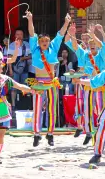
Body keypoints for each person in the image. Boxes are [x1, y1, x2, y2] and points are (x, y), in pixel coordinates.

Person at [25, 11, 71, 147]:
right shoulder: (35, 49)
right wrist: (30, 19)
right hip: (38, 82)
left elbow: (60, 34)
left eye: (46, 40)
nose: (45, 42)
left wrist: (67, 22)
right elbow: (31, 33)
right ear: (38, 42)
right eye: (42, 41)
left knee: (51, 108)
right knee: (37, 108)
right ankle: (36, 134)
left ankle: (50, 134)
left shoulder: (53, 47)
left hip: (51, 82)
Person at [65, 23, 105, 145]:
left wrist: (95, 35)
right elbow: (75, 46)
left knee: (101, 109)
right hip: (87, 83)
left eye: (94, 44)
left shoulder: (102, 55)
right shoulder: (85, 54)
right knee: (87, 108)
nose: (92, 45)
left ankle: (104, 134)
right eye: (90, 44)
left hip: (100, 84)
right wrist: (73, 35)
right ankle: (89, 132)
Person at [8, 28, 31, 112]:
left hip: (24, 69)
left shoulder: (27, 44)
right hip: (14, 69)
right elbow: (9, 58)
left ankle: (24, 104)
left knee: (25, 87)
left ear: (23, 35)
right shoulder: (11, 45)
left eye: (20, 34)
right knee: (13, 87)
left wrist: (24, 58)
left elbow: (31, 55)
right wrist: (10, 70)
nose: (19, 36)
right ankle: (14, 105)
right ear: (15, 35)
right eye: (17, 34)